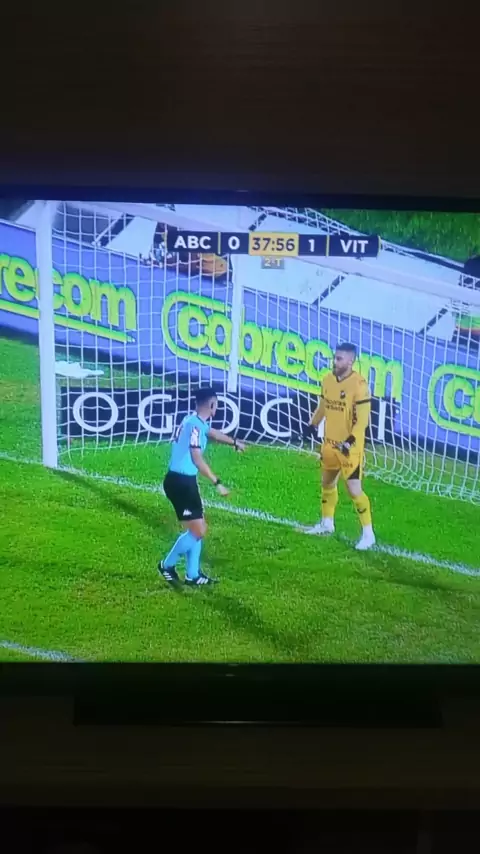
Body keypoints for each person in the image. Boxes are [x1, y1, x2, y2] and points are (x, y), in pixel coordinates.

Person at [159, 386, 245, 586]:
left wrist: (234, 442)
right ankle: (167, 565)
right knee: (198, 531)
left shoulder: (193, 421)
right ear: (212, 404)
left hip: (183, 481)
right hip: (181, 484)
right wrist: (217, 483)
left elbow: (212, 433)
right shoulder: (195, 426)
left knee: (197, 528)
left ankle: (193, 575)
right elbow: (196, 458)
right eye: (217, 404)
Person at [305, 343, 376, 550]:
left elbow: (362, 422)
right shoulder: (327, 380)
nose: (334, 362)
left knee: (354, 490)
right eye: (334, 358)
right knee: (327, 483)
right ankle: (327, 523)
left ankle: (368, 534)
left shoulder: (360, 385)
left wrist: (349, 442)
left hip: (350, 449)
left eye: (339, 359)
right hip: (329, 444)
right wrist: (312, 424)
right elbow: (323, 407)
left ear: (350, 361)